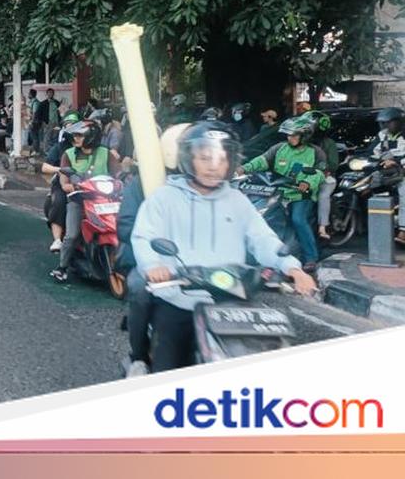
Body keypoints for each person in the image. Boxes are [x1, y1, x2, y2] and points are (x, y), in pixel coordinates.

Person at [132, 122, 317, 372]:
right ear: (188, 158)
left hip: (232, 301)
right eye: (204, 158)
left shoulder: (237, 200)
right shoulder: (164, 198)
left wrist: (292, 268)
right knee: (168, 370)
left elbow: (262, 238)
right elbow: (144, 236)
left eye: (221, 159)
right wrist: (153, 265)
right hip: (180, 300)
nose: (213, 166)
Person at [117, 123, 190, 377]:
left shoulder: (216, 189)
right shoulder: (145, 183)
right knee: (140, 289)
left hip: (198, 264)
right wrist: (155, 253)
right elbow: (126, 225)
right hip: (151, 259)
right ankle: (138, 356)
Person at [238, 116, 324, 270]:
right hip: (278, 190)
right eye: (288, 135)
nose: (290, 138)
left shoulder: (316, 152)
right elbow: (262, 161)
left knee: (298, 220)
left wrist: (307, 183)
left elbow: (319, 173)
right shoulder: (279, 148)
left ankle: (311, 257)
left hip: (300, 194)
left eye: (294, 135)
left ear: (304, 136)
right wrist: (244, 168)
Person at [52, 120, 119, 282]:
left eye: (80, 135)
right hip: (78, 199)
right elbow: (64, 180)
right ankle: (62, 267)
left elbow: (118, 174)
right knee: (72, 235)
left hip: (104, 199)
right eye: (75, 135)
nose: (76, 138)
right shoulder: (69, 154)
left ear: (91, 136)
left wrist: (123, 180)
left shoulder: (106, 153)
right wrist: (69, 186)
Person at [41, 112, 81, 252]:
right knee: (59, 202)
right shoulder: (60, 147)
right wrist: (60, 170)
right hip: (64, 182)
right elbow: (45, 167)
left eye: (75, 126)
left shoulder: (94, 148)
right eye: (68, 126)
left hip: (87, 184)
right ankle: (57, 239)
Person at [303, 111, 340, 241]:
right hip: (305, 177)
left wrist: (320, 168)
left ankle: (322, 227)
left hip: (326, 178)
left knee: (323, 196)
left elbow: (333, 164)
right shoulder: (303, 143)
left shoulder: (329, 143)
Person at [370, 107, 405, 244]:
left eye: (388, 122)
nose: (385, 126)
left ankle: (403, 230)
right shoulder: (382, 135)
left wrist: (396, 162)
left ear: (398, 122)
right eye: (383, 123)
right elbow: (372, 152)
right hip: (389, 172)